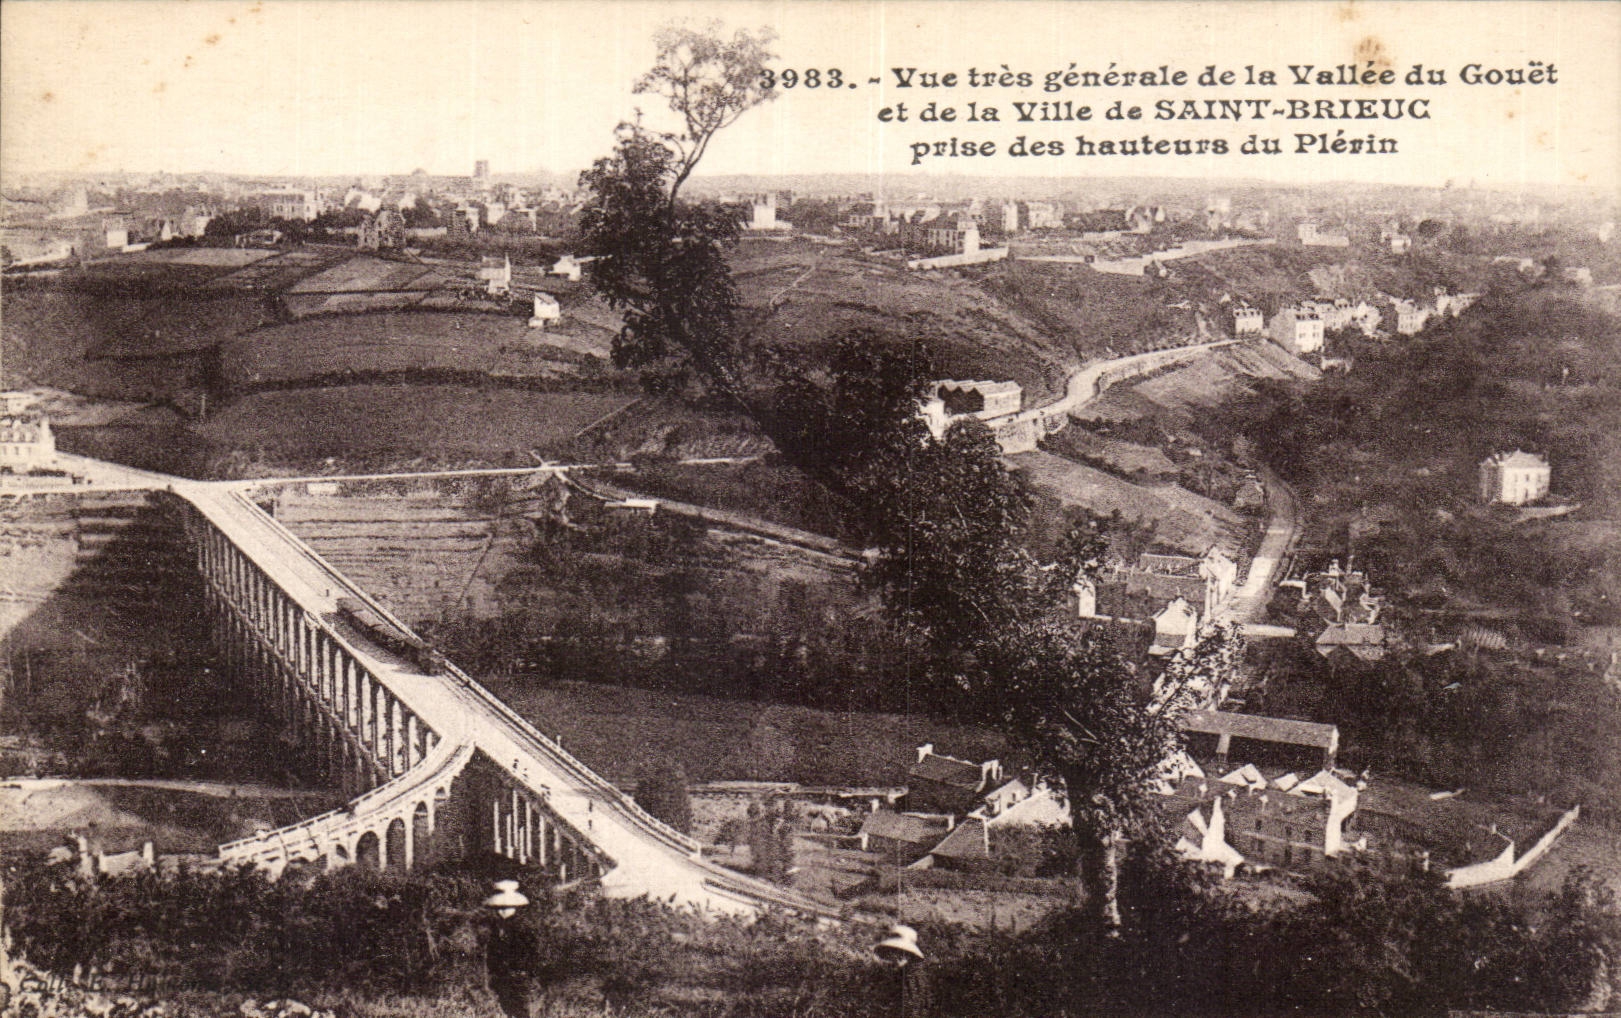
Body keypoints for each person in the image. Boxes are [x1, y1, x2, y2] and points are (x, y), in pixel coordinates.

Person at [483, 879, 537, 1018]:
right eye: (499, 908)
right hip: (504, 975)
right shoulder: (498, 926)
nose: (500, 911)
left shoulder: (522, 926)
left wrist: (521, 970)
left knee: (519, 1010)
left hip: (518, 975)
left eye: (504, 908)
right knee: (508, 1009)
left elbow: (530, 952)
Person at [875, 923, 932, 1018]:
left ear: (906, 954)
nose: (893, 956)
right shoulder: (904, 973)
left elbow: (910, 1008)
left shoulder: (910, 975)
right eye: (892, 952)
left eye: (896, 952)